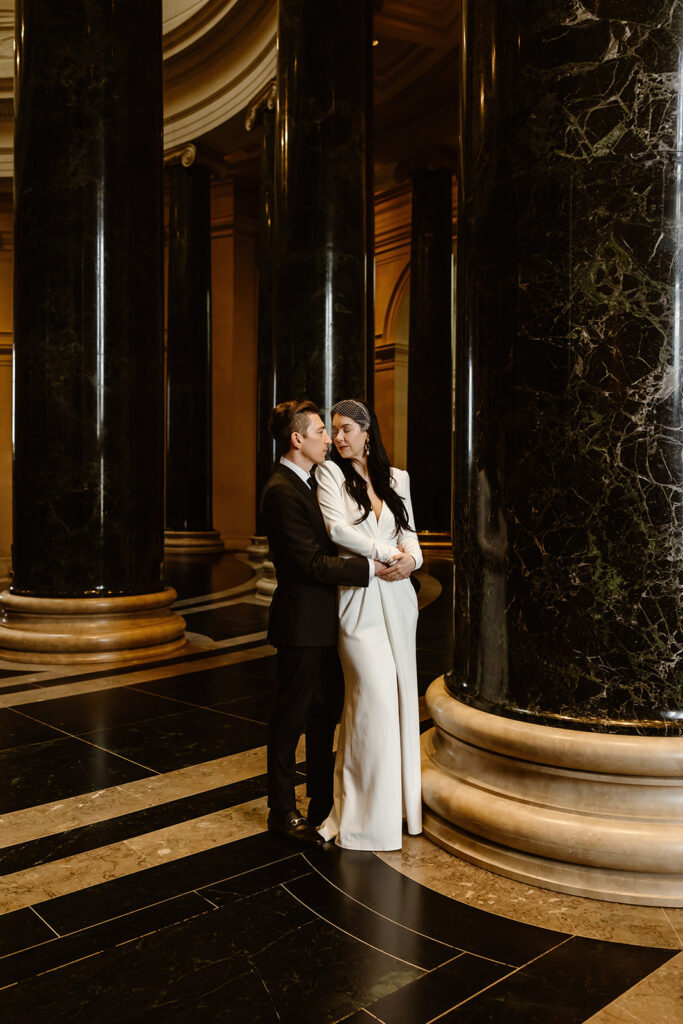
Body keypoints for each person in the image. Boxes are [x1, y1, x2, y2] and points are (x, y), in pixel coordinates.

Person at [260, 399, 383, 845]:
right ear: (297, 440)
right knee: (290, 717)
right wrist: (369, 569)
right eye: (319, 432)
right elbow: (311, 563)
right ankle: (281, 809)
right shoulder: (281, 490)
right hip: (300, 622)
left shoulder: (309, 483)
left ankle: (319, 801)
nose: (329, 439)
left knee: (323, 713)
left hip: (326, 621)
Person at [315, 398, 423, 850]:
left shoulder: (398, 479)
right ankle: (360, 817)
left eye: (345, 430)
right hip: (359, 598)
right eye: (333, 430)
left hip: (399, 598)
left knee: (398, 700)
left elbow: (411, 535)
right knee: (372, 697)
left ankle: (396, 808)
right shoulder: (330, 475)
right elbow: (339, 532)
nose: (338, 438)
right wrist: (383, 558)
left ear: (366, 431)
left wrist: (412, 562)